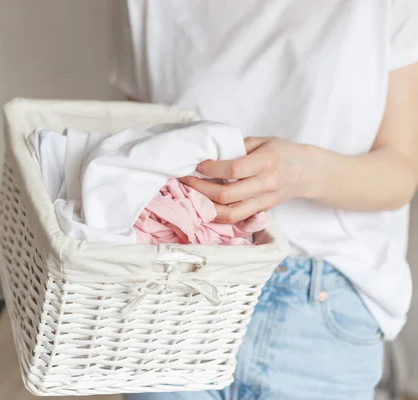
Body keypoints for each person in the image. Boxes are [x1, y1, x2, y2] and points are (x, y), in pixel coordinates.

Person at [110, 1, 418, 399]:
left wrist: (302, 173)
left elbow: (401, 172)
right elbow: (130, 150)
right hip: (175, 292)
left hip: (320, 304)